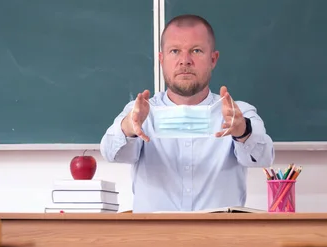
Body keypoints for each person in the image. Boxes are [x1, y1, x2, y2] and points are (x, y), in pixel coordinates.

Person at [100, 14, 274, 212]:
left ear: (213, 59)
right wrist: (129, 128)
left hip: (220, 238)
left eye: (196, 51)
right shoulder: (140, 112)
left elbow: (264, 158)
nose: (185, 61)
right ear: (161, 59)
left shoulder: (237, 113)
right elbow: (110, 153)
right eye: (175, 51)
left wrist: (243, 131)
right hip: (153, 238)